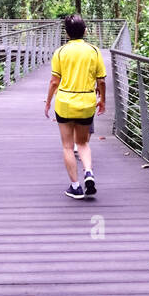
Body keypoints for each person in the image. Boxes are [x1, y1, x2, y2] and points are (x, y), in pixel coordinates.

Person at [44, 13, 107, 199]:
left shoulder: (60, 52)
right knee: (83, 143)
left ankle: (76, 186)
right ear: (85, 31)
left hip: (64, 103)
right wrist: (102, 99)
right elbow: (101, 80)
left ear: (67, 33)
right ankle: (88, 172)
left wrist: (48, 102)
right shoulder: (94, 51)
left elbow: (54, 81)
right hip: (87, 102)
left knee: (67, 146)